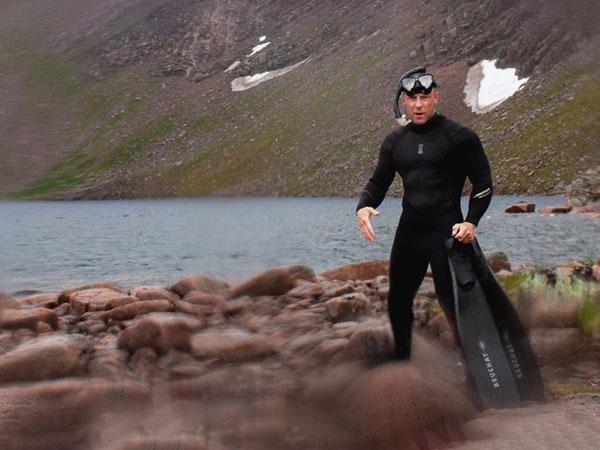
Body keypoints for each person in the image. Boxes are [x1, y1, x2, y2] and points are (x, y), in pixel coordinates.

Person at [355, 66, 493, 360]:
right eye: (411, 98)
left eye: (424, 97)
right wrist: (364, 206)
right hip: (410, 233)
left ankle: (477, 371)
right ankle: (403, 364)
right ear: (403, 100)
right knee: (398, 301)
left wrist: (471, 222)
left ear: (436, 98)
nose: (418, 104)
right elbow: (378, 183)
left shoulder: (460, 136)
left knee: (453, 304)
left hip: (449, 234)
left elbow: (483, 184)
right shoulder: (395, 142)